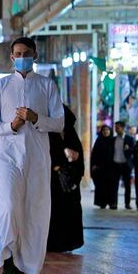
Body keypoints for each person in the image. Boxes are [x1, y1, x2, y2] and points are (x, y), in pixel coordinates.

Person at [0, 36, 65, 274]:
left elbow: (59, 122)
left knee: (32, 212)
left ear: (35, 55)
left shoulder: (47, 86)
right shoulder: (1, 85)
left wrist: (35, 118)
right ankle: (7, 264)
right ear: (11, 57)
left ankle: (20, 272)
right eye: (17, 53)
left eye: (26, 52)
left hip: (37, 159)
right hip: (7, 156)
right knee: (8, 207)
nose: (22, 57)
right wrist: (12, 126)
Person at [46, 105, 84, 253]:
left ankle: (69, 243)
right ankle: (53, 244)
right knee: (54, 212)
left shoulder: (71, 135)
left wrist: (73, 158)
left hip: (69, 184)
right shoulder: (49, 135)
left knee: (70, 213)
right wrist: (55, 166)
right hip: (53, 183)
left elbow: (79, 161)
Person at [112, 121, 135, 210]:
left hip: (126, 164)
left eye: (118, 127)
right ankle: (114, 203)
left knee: (127, 186)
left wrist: (128, 148)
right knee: (114, 185)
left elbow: (134, 150)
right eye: (115, 127)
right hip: (116, 164)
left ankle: (127, 203)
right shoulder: (113, 139)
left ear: (122, 128)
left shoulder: (129, 139)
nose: (116, 129)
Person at [91, 125, 116, 208]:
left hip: (111, 168)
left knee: (111, 187)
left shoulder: (113, 141)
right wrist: (94, 165)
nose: (106, 132)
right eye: (104, 130)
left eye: (107, 130)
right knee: (101, 186)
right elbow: (94, 155)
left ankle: (112, 203)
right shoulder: (98, 141)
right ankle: (102, 203)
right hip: (100, 168)